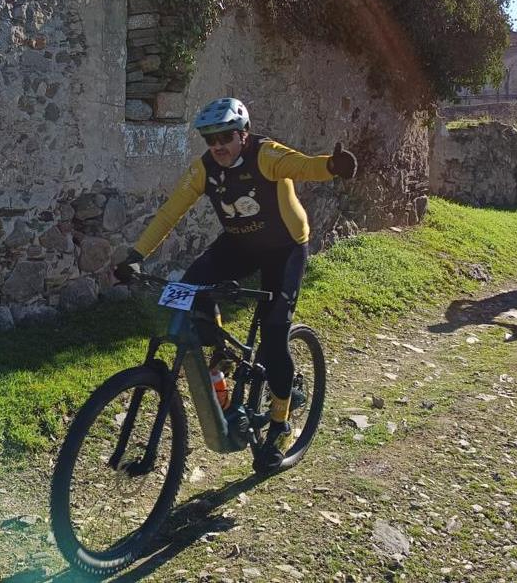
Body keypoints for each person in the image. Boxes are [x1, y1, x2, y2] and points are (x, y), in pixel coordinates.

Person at [113, 97, 357, 473]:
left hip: (285, 248)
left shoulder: (267, 155)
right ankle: (223, 358)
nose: (218, 146)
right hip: (240, 244)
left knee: (275, 334)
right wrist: (136, 253)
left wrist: (332, 166)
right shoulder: (205, 170)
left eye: (225, 136)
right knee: (192, 290)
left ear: (243, 133)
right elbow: (170, 211)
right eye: (210, 139)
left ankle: (280, 424)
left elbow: (303, 165)